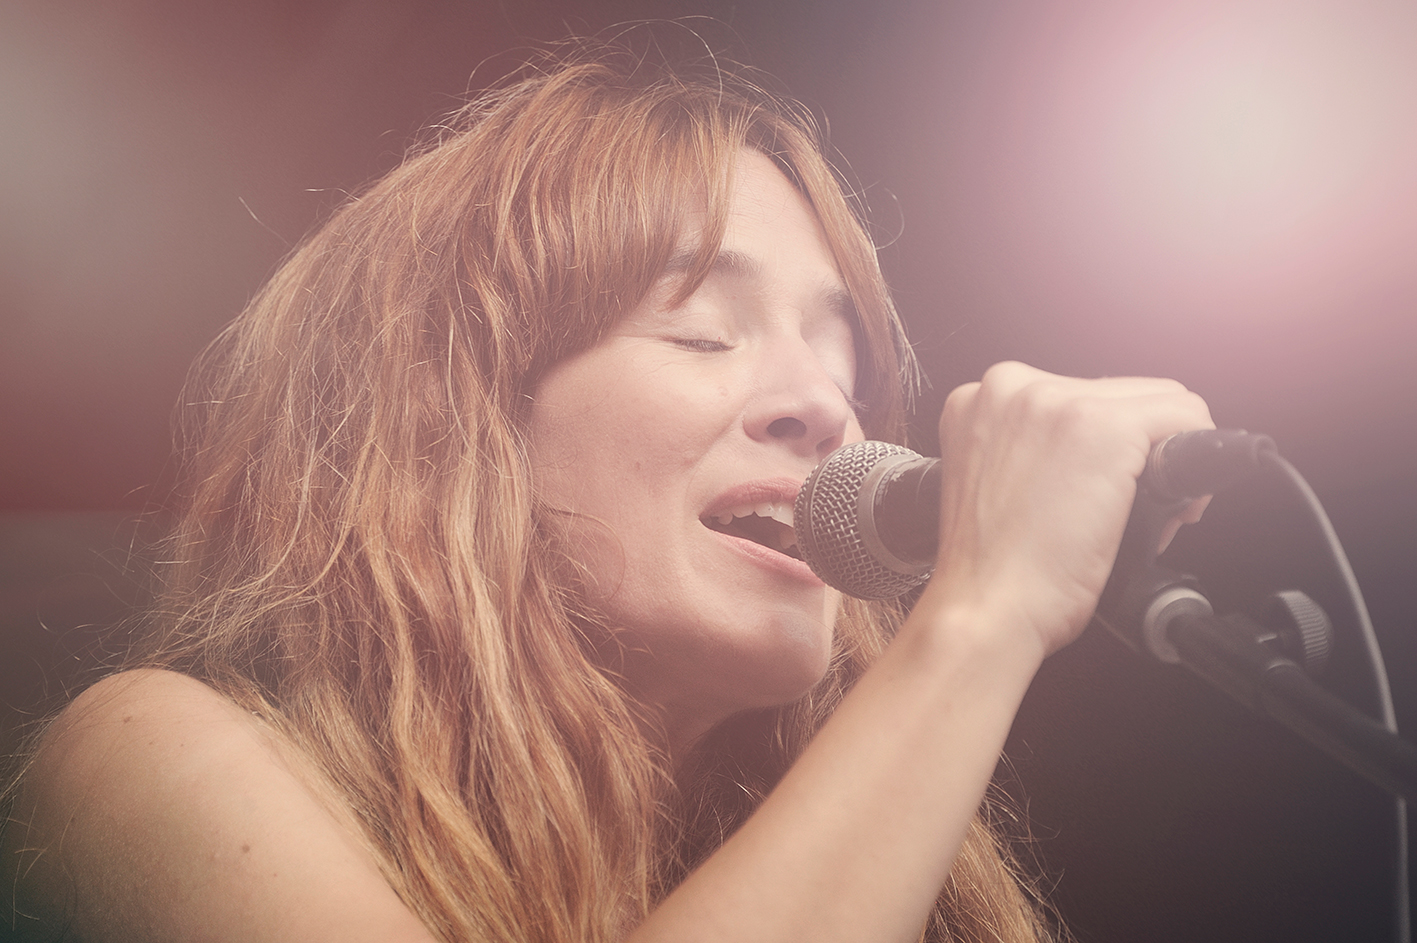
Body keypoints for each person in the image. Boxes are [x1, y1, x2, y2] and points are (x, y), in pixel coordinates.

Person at [1, 39, 1211, 943]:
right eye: (702, 333)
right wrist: (980, 617)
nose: (828, 410)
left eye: (843, 368)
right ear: (457, 423)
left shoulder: (891, 868)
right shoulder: (140, 761)